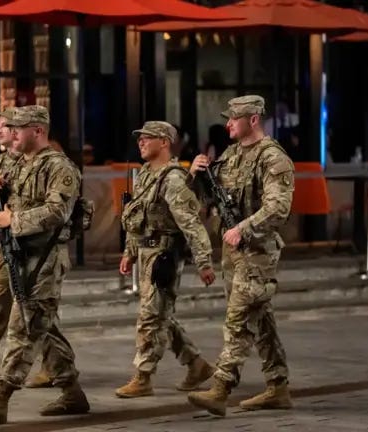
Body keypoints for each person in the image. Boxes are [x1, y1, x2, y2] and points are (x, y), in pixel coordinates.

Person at [0, 105, 90, 424]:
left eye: (19, 128)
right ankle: (72, 393)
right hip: (17, 255)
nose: (12, 132)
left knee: (24, 324)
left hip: (44, 259)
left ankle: (1, 395)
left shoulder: (60, 166)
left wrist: (15, 220)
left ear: (38, 130)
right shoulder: (16, 164)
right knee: (42, 326)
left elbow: (57, 212)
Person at [187, 95, 294, 417]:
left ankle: (221, 388)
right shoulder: (231, 155)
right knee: (260, 319)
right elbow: (205, 200)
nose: (228, 124)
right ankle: (278, 386)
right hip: (232, 253)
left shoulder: (272, 157)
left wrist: (243, 229)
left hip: (257, 252)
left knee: (237, 319)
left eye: (234, 119)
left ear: (254, 120)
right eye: (228, 119)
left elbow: (278, 208)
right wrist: (195, 175)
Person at [116, 121, 217, 399]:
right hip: (146, 253)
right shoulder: (146, 175)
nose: (141, 142)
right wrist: (129, 252)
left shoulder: (172, 179)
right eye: (139, 138)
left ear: (164, 142)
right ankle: (196, 364)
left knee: (150, 317)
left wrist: (204, 261)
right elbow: (136, 219)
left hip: (164, 256)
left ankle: (143, 377)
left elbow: (190, 223)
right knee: (160, 314)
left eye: (147, 138)